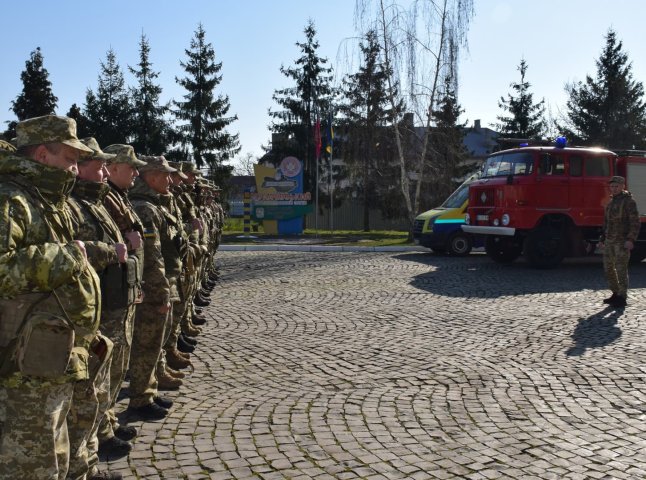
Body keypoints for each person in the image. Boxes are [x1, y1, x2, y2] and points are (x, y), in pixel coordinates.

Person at [0, 115, 100, 479]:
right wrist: (69, 256)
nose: (76, 168)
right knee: (32, 465)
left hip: (49, 360)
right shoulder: (11, 200)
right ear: (43, 154)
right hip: (23, 369)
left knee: (53, 457)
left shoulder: (44, 199)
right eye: (71, 158)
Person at [66, 138, 130, 480]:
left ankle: (90, 454)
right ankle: (84, 463)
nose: (103, 171)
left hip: (106, 303)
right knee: (84, 395)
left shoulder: (98, 202)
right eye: (99, 165)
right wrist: (104, 251)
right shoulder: (74, 204)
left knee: (99, 386)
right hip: (87, 313)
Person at [97, 144, 147, 449]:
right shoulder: (102, 200)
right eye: (131, 167)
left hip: (122, 292)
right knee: (105, 370)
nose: (136, 173)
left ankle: (108, 422)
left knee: (116, 366)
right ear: (115, 168)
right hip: (108, 299)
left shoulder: (117, 199)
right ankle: (102, 430)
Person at [126, 156, 180, 420]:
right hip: (151, 287)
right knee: (146, 344)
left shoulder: (154, 205)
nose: (170, 180)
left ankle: (149, 389)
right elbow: (152, 256)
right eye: (165, 175)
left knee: (154, 342)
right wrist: (160, 291)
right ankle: (140, 397)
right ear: (152, 177)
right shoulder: (145, 208)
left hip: (160, 282)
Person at [599, 175, 640, 308]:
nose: (614, 188)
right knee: (608, 268)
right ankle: (615, 293)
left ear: (623, 186)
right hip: (610, 240)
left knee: (621, 269)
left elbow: (635, 222)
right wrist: (602, 238)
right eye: (612, 186)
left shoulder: (629, 202)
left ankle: (622, 296)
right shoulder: (611, 202)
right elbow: (607, 222)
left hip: (622, 241)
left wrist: (630, 239)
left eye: (616, 186)